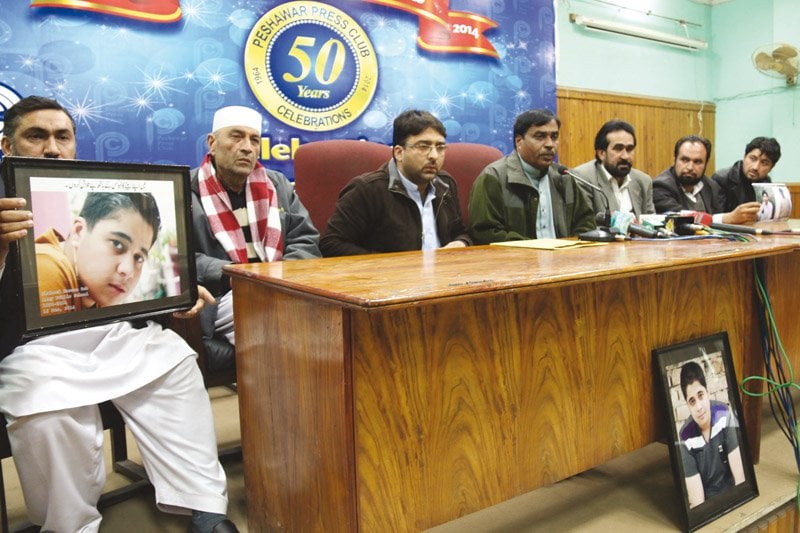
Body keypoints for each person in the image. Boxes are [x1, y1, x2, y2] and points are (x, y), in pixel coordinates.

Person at [0, 96, 237, 533]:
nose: (52, 148)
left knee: (176, 362)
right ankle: (68, 525)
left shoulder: (100, 188)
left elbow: (132, 294)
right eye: (37, 136)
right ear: (6, 144)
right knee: (46, 411)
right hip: (35, 350)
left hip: (119, 336)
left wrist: (174, 297)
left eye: (62, 136)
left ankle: (203, 504)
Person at [191, 105, 320, 347]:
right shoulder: (187, 190)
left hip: (279, 287)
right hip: (222, 295)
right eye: (236, 136)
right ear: (212, 143)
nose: (247, 148)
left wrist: (278, 278)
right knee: (281, 320)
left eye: (254, 140)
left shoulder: (276, 184)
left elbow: (305, 239)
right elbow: (176, 258)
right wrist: (232, 273)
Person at [320, 109, 471, 256]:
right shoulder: (367, 189)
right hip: (389, 278)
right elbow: (332, 245)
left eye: (440, 147)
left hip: (443, 275)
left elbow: (460, 233)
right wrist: (391, 266)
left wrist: (461, 243)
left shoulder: (445, 184)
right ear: (399, 152)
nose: (434, 155)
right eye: (423, 146)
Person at [468, 108, 595, 243]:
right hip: (517, 261)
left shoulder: (565, 177)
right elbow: (485, 232)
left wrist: (570, 250)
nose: (550, 144)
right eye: (540, 136)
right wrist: (533, 250)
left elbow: (586, 224)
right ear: (519, 142)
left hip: (563, 260)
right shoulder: (493, 178)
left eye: (554, 137)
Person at [36, 192, 161, 317]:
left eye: (139, 257)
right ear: (79, 232)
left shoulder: (93, 292)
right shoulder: (46, 268)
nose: (128, 270)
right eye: (117, 244)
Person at [678, 361, 745, 508]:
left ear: (707, 393)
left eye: (700, 395)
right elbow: (697, 501)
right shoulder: (684, 438)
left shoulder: (723, 413)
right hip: (708, 504)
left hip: (732, 493)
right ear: (688, 405)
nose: (699, 407)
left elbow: (740, 476)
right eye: (692, 401)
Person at [653, 135, 760, 224]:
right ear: (674, 160)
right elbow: (680, 219)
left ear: (706, 164)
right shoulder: (661, 186)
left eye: (697, 162)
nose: (690, 167)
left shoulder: (711, 185)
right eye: (684, 160)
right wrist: (727, 218)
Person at [573, 119, 654, 220]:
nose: (625, 156)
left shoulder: (643, 181)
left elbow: (652, 224)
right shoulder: (583, 178)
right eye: (618, 149)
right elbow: (587, 226)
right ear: (601, 153)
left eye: (629, 149)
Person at [712, 137, 781, 213]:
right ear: (745, 156)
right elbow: (716, 218)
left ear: (771, 168)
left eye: (764, 163)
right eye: (753, 158)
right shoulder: (721, 178)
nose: (755, 167)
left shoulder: (766, 183)